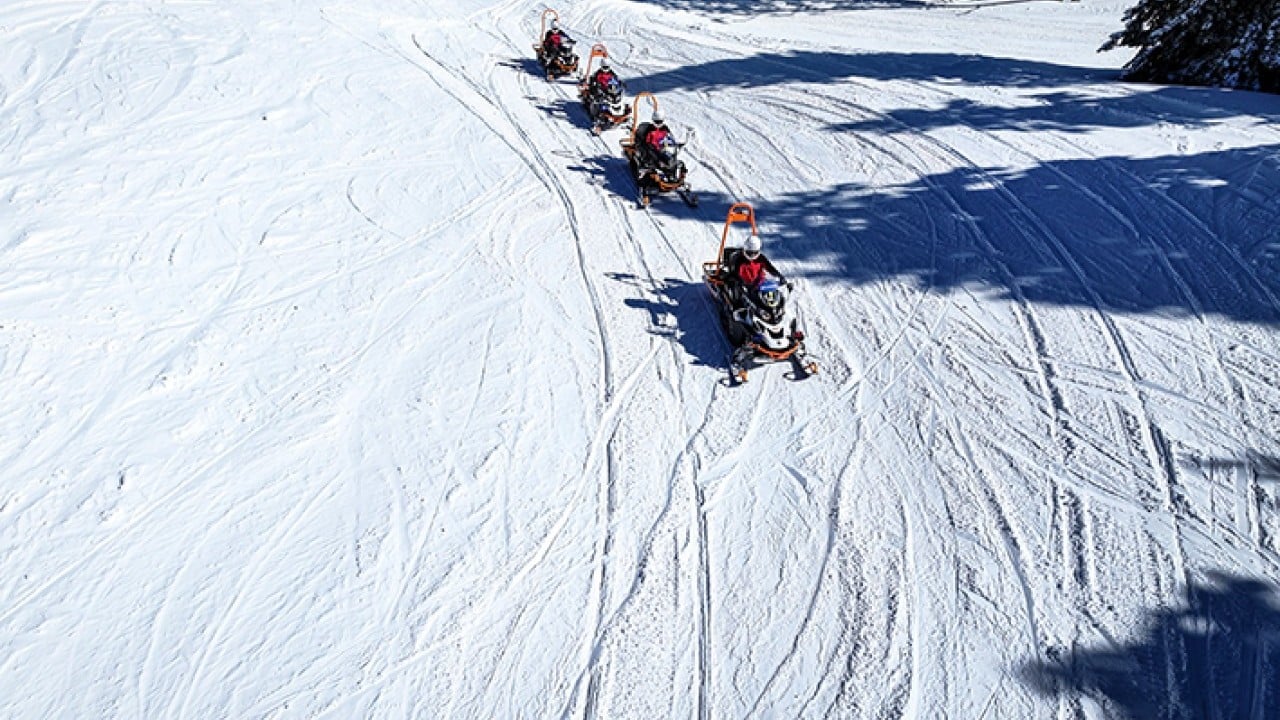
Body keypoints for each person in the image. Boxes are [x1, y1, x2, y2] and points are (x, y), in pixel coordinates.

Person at [729, 234, 786, 303]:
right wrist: (743, 284)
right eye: (749, 253)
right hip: (745, 284)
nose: (752, 256)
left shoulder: (761, 258)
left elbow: (770, 268)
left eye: (754, 253)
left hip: (759, 283)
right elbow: (736, 274)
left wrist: (779, 276)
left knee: (772, 295)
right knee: (738, 295)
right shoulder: (740, 260)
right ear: (745, 250)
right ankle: (735, 306)